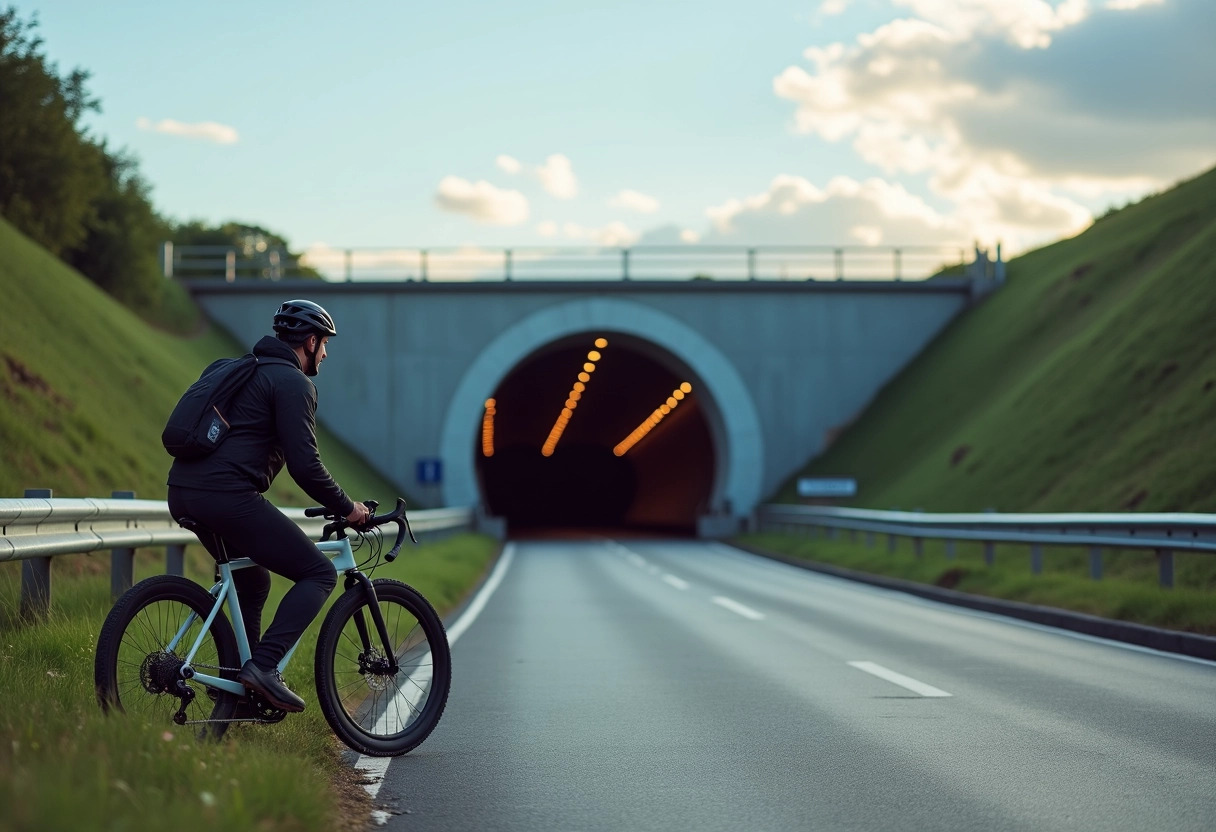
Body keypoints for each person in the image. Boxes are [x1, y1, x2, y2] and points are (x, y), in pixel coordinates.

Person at [167, 299, 371, 712]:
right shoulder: (294, 383)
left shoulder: (238, 369)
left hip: (182, 489)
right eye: (325, 344)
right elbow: (305, 466)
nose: (326, 354)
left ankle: (239, 695)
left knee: (253, 581)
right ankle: (262, 669)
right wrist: (348, 507)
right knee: (317, 573)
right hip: (227, 496)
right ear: (310, 342)